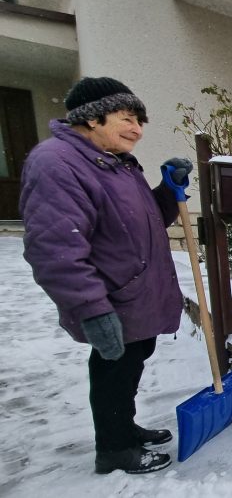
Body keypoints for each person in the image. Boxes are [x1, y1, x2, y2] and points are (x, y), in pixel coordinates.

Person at [19, 77, 193, 475]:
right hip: (111, 296)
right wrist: (91, 309)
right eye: (127, 118)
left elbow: (144, 221)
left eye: (140, 121)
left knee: (130, 364)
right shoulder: (57, 164)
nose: (137, 129)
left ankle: (123, 428)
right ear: (92, 118)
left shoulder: (115, 164)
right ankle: (113, 449)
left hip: (133, 292)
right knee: (114, 369)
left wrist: (167, 191)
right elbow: (54, 248)